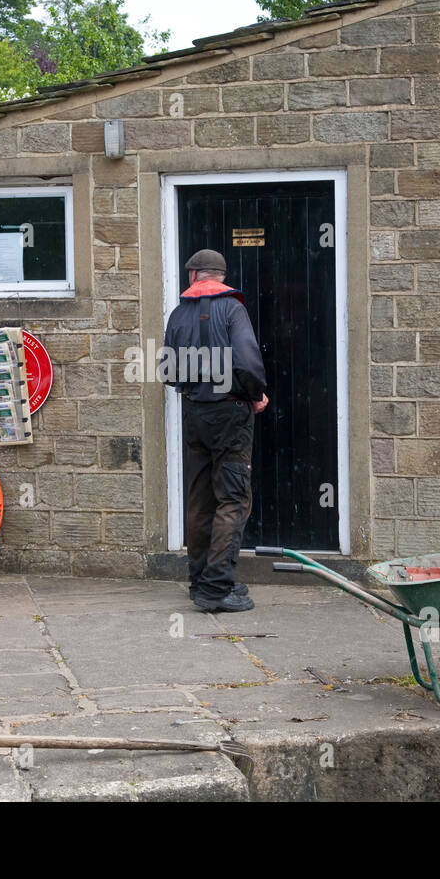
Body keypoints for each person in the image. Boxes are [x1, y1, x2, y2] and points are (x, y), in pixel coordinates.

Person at [162, 249, 269, 612]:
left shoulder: (178, 314)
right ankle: (217, 588)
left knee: (199, 499)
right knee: (233, 498)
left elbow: (168, 372)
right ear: (220, 276)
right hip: (230, 414)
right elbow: (249, 362)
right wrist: (255, 394)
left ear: (193, 275)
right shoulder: (233, 309)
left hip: (194, 413)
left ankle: (199, 581)